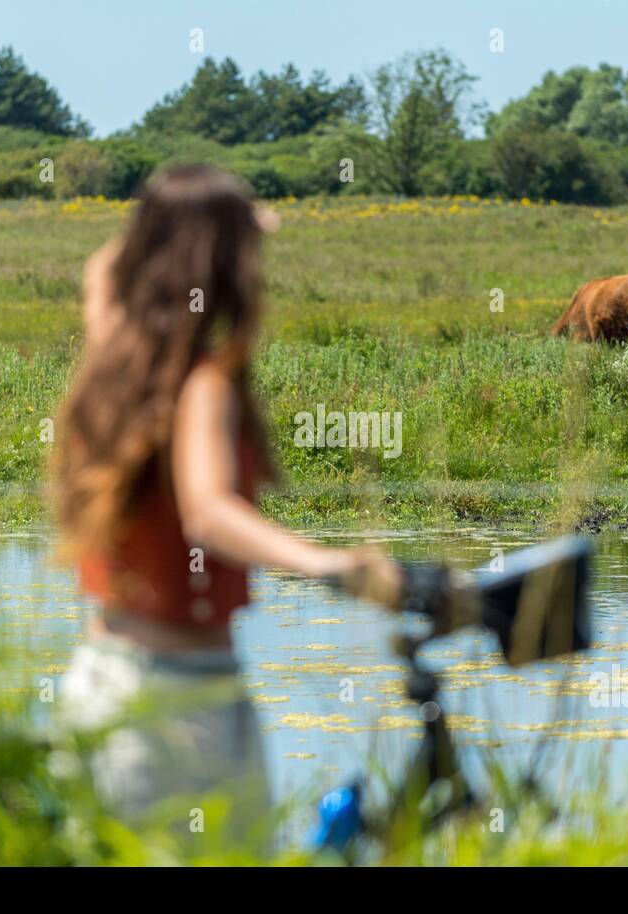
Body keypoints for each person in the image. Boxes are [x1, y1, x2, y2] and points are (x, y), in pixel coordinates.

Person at [51, 165, 401, 836]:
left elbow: (102, 273)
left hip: (103, 686)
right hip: (186, 703)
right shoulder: (204, 384)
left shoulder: (117, 363)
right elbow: (207, 511)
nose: (258, 270)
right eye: (249, 251)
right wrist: (333, 566)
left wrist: (158, 235)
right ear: (221, 264)